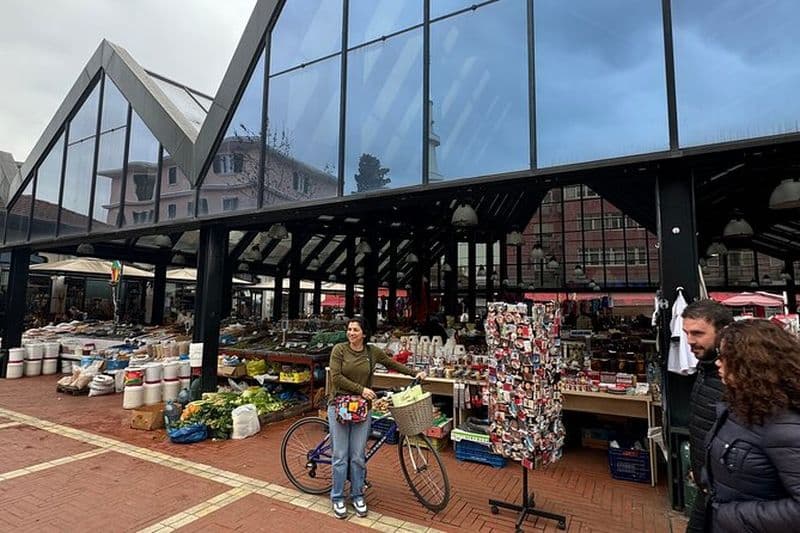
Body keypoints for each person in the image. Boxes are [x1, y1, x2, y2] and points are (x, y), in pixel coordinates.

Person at [704, 320, 800, 532]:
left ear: (752, 363)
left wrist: (732, 516)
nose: (718, 363)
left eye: (725, 357)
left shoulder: (784, 425)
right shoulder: (741, 405)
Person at [327, 317, 426, 520]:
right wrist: (362, 389)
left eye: (355, 330)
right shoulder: (339, 350)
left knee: (357, 456)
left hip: (362, 408)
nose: (351, 333)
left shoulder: (372, 352)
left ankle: (357, 495)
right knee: (339, 455)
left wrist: (415, 373)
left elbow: (392, 363)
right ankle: (337, 497)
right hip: (339, 406)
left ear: (364, 334)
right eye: (349, 329)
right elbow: (336, 377)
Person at [681, 299, 733, 533]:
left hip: (730, 498)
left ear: (722, 332)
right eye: (686, 333)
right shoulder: (706, 368)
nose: (690, 341)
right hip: (709, 488)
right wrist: (700, 467)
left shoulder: (736, 379)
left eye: (698, 333)